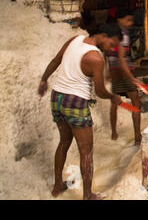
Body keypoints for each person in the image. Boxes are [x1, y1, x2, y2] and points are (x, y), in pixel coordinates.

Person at [38, 23, 123, 200]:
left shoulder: (74, 40)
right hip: (75, 102)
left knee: (64, 141)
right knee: (86, 150)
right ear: (103, 35)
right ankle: (87, 195)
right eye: (111, 43)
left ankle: (57, 187)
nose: (111, 48)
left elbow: (55, 60)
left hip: (57, 98)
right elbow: (99, 91)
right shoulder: (96, 58)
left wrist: (44, 80)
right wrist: (113, 97)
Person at [106, 8, 142, 146]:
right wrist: (131, 77)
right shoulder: (122, 35)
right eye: (128, 20)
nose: (130, 23)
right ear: (119, 20)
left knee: (115, 102)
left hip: (116, 72)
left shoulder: (112, 32)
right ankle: (138, 137)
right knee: (136, 103)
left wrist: (108, 71)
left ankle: (114, 133)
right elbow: (121, 58)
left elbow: (108, 55)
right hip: (123, 72)